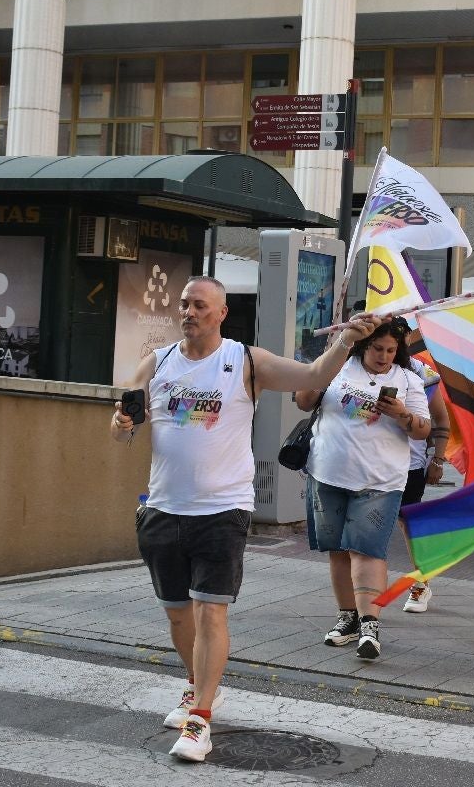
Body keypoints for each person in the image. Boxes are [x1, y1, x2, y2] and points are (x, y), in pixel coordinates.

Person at [112, 276, 382, 763]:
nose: (188, 312)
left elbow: (314, 375)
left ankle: (201, 720)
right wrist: (121, 423)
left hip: (221, 510)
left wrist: (348, 339)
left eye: (199, 305)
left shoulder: (245, 361)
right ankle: (196, 685)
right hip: (162, 507)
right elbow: (123, 422)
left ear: (221, 314)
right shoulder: (159, 363)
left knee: (209, 611)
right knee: (177, 614)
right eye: (184, 304)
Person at [296, 318, 432, 662]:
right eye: (377, 349)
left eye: (391, 350)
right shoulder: (339, 366)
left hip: (380, 481)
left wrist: (402, 414)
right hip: (327, 473)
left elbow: (422, 430)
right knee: (338, 549)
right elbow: (303, 399)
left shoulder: (409, 380)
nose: (384, 356)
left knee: (368, 551)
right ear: (362, 345)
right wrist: (330, 359)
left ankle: (370, 623)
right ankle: (348, 617)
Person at [400, 359, 451, 614]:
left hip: (409, 465)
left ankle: (421, 583)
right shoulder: (354, 363)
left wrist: (438, 460)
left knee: (409, 524)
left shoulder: (420, 371)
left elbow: (441, 419)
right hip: (364, 465)